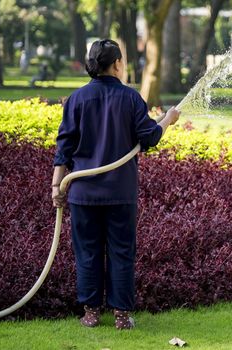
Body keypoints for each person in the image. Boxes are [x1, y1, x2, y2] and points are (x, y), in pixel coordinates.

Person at [51, 39, 180, 330]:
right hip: (120, 193)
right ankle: (121, 316)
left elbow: (64, 146)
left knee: (87, 252)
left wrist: (56, 186)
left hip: (82, 193)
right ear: (118, 64)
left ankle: (91, 314)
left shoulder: (76, 99)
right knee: (121, 252)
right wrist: (168, 120)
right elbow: (148, 138)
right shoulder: (131, 99)